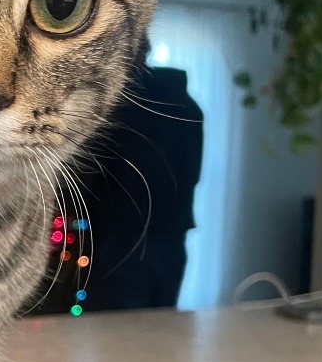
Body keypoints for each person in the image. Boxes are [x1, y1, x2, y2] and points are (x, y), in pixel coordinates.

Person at [28, 48, 203, 315]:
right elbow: (193, 172)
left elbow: (96, 168)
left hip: (120, 237)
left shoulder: (127, 105)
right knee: (161, 324)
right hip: (172, 236)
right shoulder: (191, 108)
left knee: (113, 325)